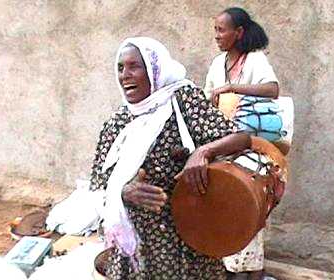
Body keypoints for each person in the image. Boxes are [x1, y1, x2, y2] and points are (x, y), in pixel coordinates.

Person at [88, 37, 251, 280]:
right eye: (120, 68)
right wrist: (122, 192)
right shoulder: (118, 124)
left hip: (186, 242)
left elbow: (241, 139)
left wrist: (202, 152)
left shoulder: (182, 101)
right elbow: (97, 186)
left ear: (154, 69)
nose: (125, 75)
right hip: (136, 249)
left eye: (134, 66)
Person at [204, 7, 281, 280]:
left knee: (248, 212)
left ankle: (251, 273)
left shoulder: (255, 61)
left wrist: (232, 88)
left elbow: (273, 89)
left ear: (239, 33)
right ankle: (233, 271)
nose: (217, 35)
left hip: (252, 150)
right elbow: (207, 101)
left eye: (221, 30)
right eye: (215, 30)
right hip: (224, 148)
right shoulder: (217, 64)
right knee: (226, 213)